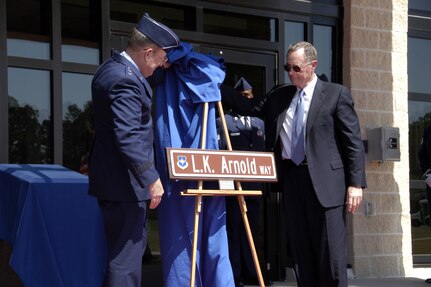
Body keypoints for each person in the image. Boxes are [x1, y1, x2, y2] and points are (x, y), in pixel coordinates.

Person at [222, 41, 366, 287]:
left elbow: (353, 143)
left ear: (313, 66)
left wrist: (355, 184)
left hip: (326, 183)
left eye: (296, 68)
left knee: (329, 256)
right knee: (300, 253)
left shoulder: (335, 94)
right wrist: (213, 84)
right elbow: (247, 107)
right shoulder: (280, 96)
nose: (291, 73)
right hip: (292, 180)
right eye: (288, 67)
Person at [88, 13, 179, 287]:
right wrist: (151, 178)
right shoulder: (125, 79)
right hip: (125, 186)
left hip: (115, 184)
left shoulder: (109, 68)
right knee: (125, 263)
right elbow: (127, 136)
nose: (162, 66)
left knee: (122, 258)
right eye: (162, 59)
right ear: (148, 52)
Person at [150, 42, 235, 286]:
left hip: (180, 161)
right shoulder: (208, 71)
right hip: (208, 161)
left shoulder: (169, 79)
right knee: (214, 231)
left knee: (179, 230)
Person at [217, 77, 265, 287]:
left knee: (253, 231)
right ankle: (235, 275)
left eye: (250, 96)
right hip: (233, 184)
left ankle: (253, 272)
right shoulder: (224, 120)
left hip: (254, 184)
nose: (248, 100)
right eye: (244, 96)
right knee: (233, 230)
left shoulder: (259, 122)